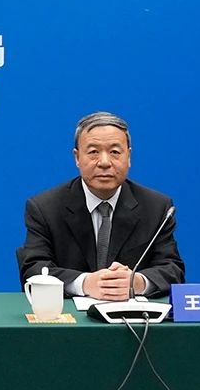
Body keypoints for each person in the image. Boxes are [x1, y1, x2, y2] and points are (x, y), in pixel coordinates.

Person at [16, 112, 184, 300]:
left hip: (131, 315)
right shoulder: (45, 208)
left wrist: (137, 282)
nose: (104, 162)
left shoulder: (156, 207)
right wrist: (85, 283)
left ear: (129, 156)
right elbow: (33, 270)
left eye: (115, 152)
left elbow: (172, 270)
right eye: (93, 152)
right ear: (77, 157)